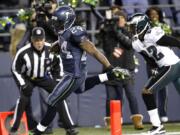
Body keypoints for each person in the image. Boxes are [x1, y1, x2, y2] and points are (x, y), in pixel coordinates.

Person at [32, 6, 129, 135]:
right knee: (79, 89)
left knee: (52, 100)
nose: (56, 25)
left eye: (58, 22)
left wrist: (110, 67)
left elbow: (94, 51)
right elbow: (66, 41)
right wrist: (59, 44)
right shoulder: (65, 32)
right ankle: (107, 77)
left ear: (67, 21)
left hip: (74, 75)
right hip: (74, 74)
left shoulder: (75, 32)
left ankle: (39, 131)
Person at [116, 13, 180, 135]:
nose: (131, 29)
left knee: (147, 92)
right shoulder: (136, 42)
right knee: (147, 92)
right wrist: (155, 68)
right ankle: (157, 126)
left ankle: (157, 126)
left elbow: (168, 40)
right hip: (167, 66)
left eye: (133, 26)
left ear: (141, 25)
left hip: (171, 65)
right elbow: (149, 58)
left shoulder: (152, 33)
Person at [97, 9, 144, 130]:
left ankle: (137, 121)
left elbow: (129, 44)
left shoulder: (130, 31)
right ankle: (112, 122)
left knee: (131, 95)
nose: (118, 21)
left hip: (127, 68)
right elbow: (106, 48)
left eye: (120, 19)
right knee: (111, 98)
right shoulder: (110, 32)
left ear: (125, 20)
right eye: (116, 19)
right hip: (111, 70)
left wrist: (117, 31)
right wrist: (104, 31)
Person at [145, 6, 173, 123]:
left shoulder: (165, 26)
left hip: (164, 62)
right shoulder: (146, 27)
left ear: (159, 15)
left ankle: (163, 114)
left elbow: (169, 41)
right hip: (152, 63)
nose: (154, 16)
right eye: (151, 14)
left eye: (156, 14)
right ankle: (154, 115)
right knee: (152, 88)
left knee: (164, 89)